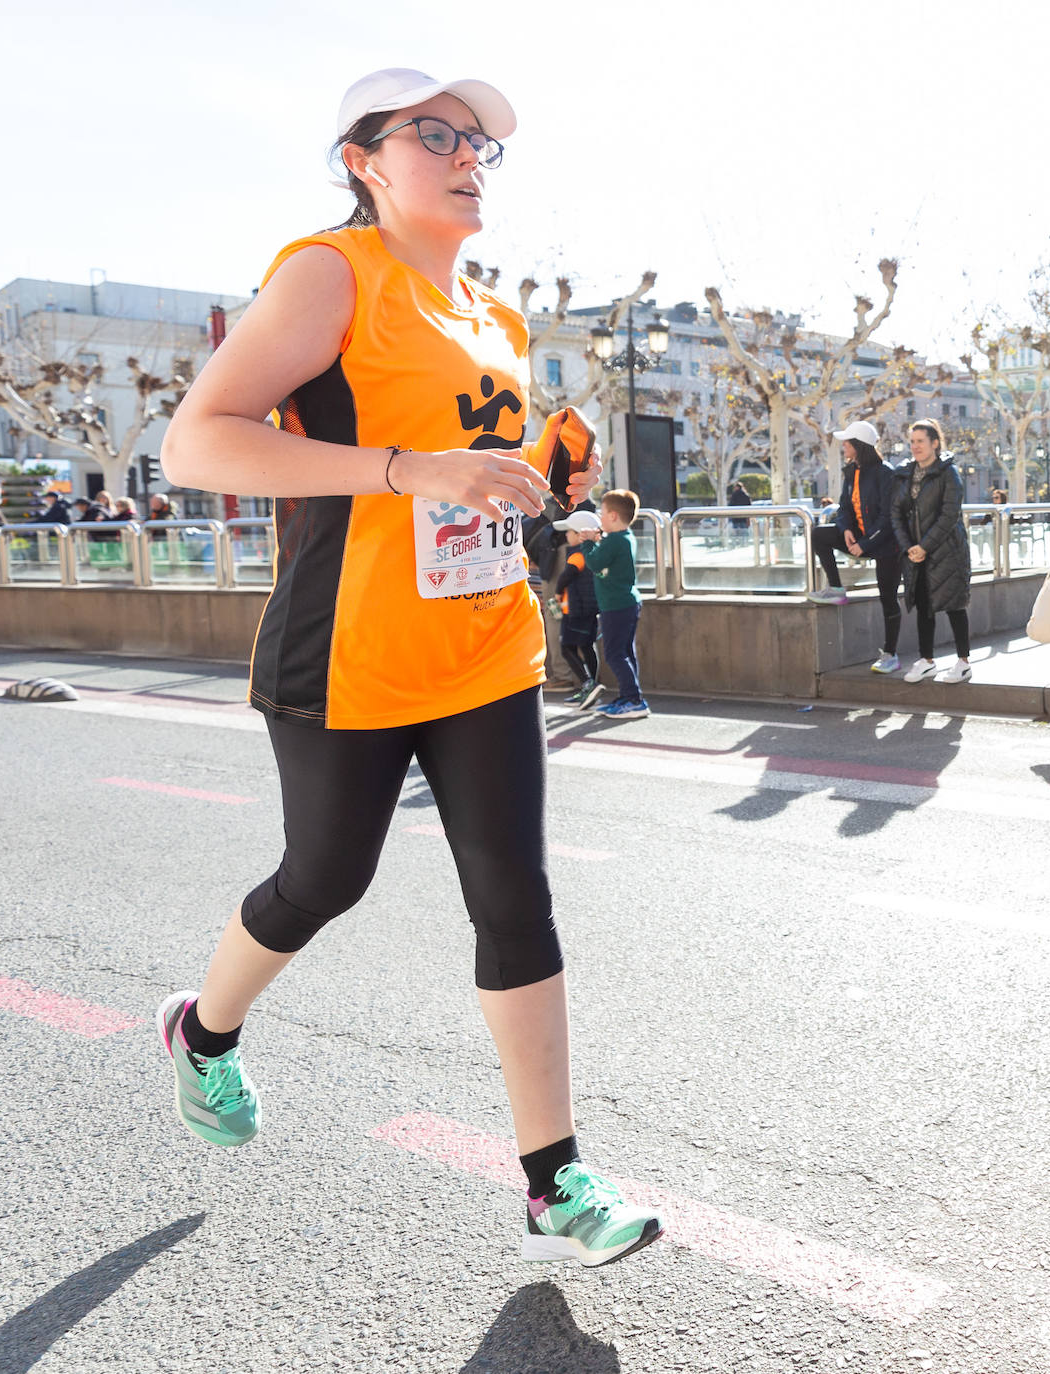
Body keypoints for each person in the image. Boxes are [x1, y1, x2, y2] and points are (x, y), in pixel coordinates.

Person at [155, 65, 662, 1269]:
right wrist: (403, 468)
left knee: (516, 900)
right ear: (363, 162)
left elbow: (472, 483)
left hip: (488, 646)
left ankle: (553, 1184)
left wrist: (525, 513)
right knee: (324, 878)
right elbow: (196, 443)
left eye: (479, 138)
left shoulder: (500, 318)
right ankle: (204, 1031)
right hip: (347, 654)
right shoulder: (331, 275)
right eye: (432, 134)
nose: (466, 152)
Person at [809, 419, 904, 673]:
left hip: (886, 545)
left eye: (847, 442)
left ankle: (891, 654)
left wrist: (864, 543)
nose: (843, 447)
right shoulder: (851, 471)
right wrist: (847, 530)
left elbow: (888, 518)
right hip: (860, 538)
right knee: (819, 534)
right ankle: (836, 589)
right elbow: (845, 508)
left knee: (888, 598)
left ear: (858, 445)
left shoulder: (886, 473)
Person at [891, 419, 973, 683]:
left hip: (947, 551)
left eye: (920, 441)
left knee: (954, 605)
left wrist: (924, 546)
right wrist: (910, 548)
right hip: (916, 553)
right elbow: (896, 513)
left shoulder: (949, 473)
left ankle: (963, 661)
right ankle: (926, 660)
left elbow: (949, 515)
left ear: (934, 443)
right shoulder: (904, 473)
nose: (915, 446)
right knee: (924, 605)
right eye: (912, 441)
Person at [579, 489, 648, 719]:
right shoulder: (624, 538)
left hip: (615, 606)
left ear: (614, 516)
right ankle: (630, 695)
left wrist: (588, 543)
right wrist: (598, 540)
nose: (600, 516)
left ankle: (633, 699)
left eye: (603, 512)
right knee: (626, 652)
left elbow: (595, 562)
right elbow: (608, 555)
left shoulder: (615, 541)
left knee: (614, 654)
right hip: (626, 603)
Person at [552, 510, 604, 709]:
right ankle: (592, 686)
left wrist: (557, 592)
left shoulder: (577, 555)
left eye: (569, 532)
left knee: (566, 648)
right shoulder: (592, 552)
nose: (566, 536)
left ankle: (588, 684)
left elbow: (566, 576)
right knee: (587, 647)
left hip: (576, 611)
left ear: (580, 534)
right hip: (590, 609)